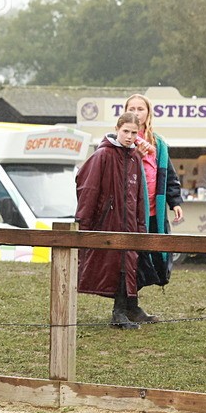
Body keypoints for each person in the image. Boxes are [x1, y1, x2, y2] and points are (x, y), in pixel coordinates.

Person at [75, 112, 147, 329]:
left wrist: (141, 225)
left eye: (134, 133)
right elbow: (88, 188)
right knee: (116, 266)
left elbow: (139, 196)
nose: (129, 136)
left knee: (128, 265)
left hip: (129, 223)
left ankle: (127, 308)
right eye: (126, 131)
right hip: (108, 222)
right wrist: (85, 221)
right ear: (117, 129)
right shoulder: (102, 155)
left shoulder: (135, 158)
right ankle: (119, 313)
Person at [123, 94, 184, 323]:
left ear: (148, 113)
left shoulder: (158, 143)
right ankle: (125, 307)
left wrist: (175, 202)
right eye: (132, 108)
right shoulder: (121, 140)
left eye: (141, 108)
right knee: (129, 260)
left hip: (153, 213)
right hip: (129, 214)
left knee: (151, 259)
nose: (136, 112)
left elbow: (169, 177)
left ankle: (131, 306)